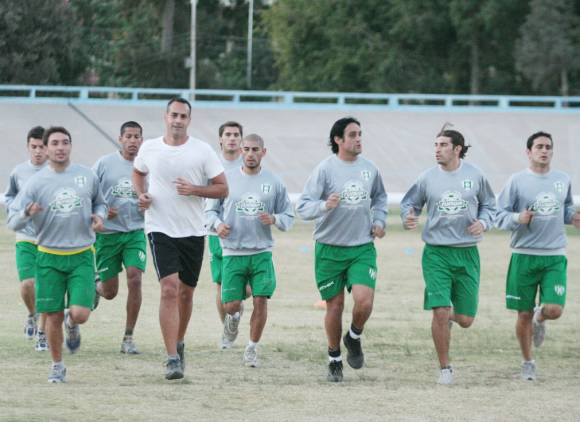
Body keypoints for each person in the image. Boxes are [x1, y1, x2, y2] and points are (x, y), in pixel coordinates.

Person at [133, 98, 228, 380]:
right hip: (159, 227)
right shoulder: (150, 147)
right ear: (166, 117)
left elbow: (223, 188)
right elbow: (138, 172)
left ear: (189, 120)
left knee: (186, 293)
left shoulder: (202, 150)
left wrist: (195, 189)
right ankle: (172, 357)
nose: (177, 120)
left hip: (193, 231)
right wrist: (141, 194)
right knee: (169, 289)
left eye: (183, 116)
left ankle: (180, 340)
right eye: (173, 115)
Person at [8, 126, 106, 383]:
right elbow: (13, 221)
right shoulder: (35, 182)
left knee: (80, 314)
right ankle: (57, 365)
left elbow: (100, 203)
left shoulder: (86, 175)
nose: (60, 147)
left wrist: (100, 217)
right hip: (48, 256)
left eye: (65, 142)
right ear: (47, 147)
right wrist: (26, 213)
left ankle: (71, 323)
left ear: (70, 146)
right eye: (55, 143)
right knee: (52, 315)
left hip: (81, 254)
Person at [400, 127, 496, 385]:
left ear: (457, 149)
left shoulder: (475, 176)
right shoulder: (427, 178)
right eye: (436, 144)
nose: (437, 149)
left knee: (465, 320)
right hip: (436, 253)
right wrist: (409, 216)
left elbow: (490, 205)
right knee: (441, 311)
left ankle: (449, 316)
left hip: (467, 253)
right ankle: (445, 369)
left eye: (443, 145)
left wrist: (484, 222)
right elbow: (410, 203)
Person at [296, 117, 387, 383]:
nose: (359, 139)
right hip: (329, 249)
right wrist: (324, 205)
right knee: (334, 307)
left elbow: (380, 198)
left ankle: (354, 336)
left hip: (361, 247)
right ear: (338, 140)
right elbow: (303, 207)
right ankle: (334, 358)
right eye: (353, 135)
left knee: (364, 300)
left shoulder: (370, 169)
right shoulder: (324, 170)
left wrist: (380, 221)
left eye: (360, 134)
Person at [495, 131, 580, 381]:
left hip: (554, 255)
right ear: (528, 152)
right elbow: (499, 215)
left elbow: (565, 209)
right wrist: (517, 218)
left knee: (554, 309)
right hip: (524, 255)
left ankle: (540, 317)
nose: (544, 151)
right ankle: (528, 362)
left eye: (548, 147)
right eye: (539, 146)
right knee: (522, 314)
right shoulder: (517, 181)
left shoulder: (562, 179)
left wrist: (573, 217)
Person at [206, 134, 294, 366]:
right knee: (231, 305)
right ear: (241, 151)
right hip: (233, 252)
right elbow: (209, 211)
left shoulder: (274, 182)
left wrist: (274, 219)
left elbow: (288, 215)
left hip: (261, 252)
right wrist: (218, 225)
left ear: (263, 152)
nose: (250, 154)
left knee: (261, 300)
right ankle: (233, 318)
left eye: (255, 149)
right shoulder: (226, 180)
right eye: (246, 149)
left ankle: (252, 348)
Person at [92, 121, 146, 354]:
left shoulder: (147, 166)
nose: (133, 141)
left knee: (135, 278)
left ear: (142, 140)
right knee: (110, 292)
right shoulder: (104, 164)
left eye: (137, 137)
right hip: (108, 235)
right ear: (120, 139)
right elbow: (87, 193)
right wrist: (102, 211)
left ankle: (128, 337)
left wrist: (148, 204)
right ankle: (96, 287)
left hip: (135, 233)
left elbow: (156, 195)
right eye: (129, 136)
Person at [4, 126, 49, 351]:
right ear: (27, 147)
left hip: (50, 239)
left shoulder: (56, 172)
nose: (38, 151)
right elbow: (9, 197)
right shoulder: (18, 172)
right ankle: (32, 314)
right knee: (27, 285)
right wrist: (21, 210)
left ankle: (43, 334)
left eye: (41, 147)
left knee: (46, 288)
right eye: (34, 147)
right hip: (25, 236)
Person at [207, 121, 251, 348]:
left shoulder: (249, 163)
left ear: (241, 140)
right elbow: (205, 198)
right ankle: (227, 328)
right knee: (222, 284)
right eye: (228, 134)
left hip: (248, 235)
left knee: (248, 288)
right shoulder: (212, 166)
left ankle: (233, 311)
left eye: (236, 135)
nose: (232, 138)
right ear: (220, 140)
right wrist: (215, 223)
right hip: (219, 234)